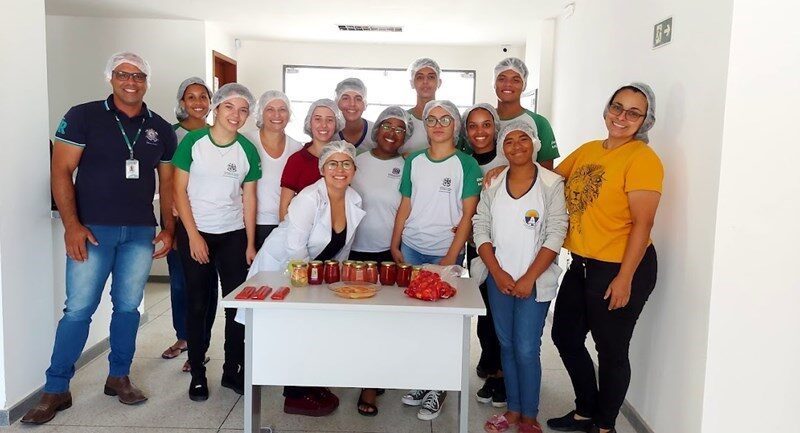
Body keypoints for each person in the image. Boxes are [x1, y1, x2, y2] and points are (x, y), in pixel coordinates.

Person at [23, 52, 176, 425]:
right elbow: (61, 171)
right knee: (78, 310)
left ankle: (118, 376)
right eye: (124, 74)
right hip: (92, 231)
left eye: (139, 76)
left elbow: (168, 181)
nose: (131, 81)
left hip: (139, 231)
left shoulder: (160, 128)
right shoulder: (82, 116)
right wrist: (72, 225)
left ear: (147, 82)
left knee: (128, 308)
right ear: (110, 77)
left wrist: (167, 227)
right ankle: (56, 388)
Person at [547, 83, 663, 433]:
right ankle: (585, 410)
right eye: (617, 107)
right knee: (565, 337)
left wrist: (625, 278)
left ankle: (605, 425)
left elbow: (643, 225)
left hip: (623, 266)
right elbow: (547, 181)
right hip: (581, 264)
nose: (622, 117)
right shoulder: (587, 151)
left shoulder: (642, 159)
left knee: (611, 350)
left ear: (645, 121)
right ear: (607, 109)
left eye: (633, 113)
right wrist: (502, 172)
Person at [249, 141, 365, 417]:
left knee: (316, 331)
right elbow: (295, 251)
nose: (340, 169)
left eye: (346, 163)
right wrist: (311, 286)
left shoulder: (353, 199)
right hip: (286, 271)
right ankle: (295, 395)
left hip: (316, 274)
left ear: (355, 169)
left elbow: (342, 248)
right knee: (296, 331)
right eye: (333, 164)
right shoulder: (308, 199)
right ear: (322, 168)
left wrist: (333, 283)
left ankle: (311, 383)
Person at [472, 121, 568, 433]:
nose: (516, 146)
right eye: (509, 140)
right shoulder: (493, 184)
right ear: (502, 148)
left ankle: (530, 415)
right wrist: (497, 273)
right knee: (507, 345)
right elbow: (480, 226)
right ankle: (512, 410)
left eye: (523, 139)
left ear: (535, 143)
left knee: (527, 347)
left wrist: (529, 277)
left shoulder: (552, 184)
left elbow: (556, 233)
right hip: (499, 279)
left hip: (534, 281)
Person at [391, 100, 482, 421]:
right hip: (413, 248)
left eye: (446, 119)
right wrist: (395, 240)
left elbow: (468, 214)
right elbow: (405, 203)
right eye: (432, 119)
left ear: (456, 126)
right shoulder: (414, 161)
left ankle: (439, 388)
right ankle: (421, 382)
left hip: (446, 250)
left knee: (444, 323)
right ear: (425, 125)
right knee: (417, 321)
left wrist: (449, 256)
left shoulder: (467, 165)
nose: (439, 124)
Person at [172, 83, 261, 402]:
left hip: (233, 235)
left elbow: (249, 199)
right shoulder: (194, 142)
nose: (236, 115)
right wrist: (193, 235)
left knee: (236, 305)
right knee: (198, 303)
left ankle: (232, 370)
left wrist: (250, 243)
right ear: (217, 108)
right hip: (196, 231)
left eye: (243, 110)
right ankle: (197, 372)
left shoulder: (247, 149)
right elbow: (177, 191)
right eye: (229, 108)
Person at [347, 106, 414, 416]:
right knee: (361, 323)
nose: (393, 132)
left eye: (400, 129)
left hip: (392, 254)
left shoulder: (409, 166)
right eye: (387, 126)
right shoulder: (355, 162)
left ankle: (375, 379)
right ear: (375, 131)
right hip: (355, 253)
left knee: (387, 321)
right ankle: (367, 380)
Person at [161, 77, 217, 374]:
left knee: (205, 285)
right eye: (190, 97)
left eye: (203, 97)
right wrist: (169, 224)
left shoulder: (219, 133)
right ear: (182, 102)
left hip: (210, 220)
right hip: (178, 218)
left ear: (211, 102)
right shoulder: (171, 134)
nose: (197, 102)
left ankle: (201, 346)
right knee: (181, 282)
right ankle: (183, 337)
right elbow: (166, 181)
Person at [462, 103, 506, 407]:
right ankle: (489, 362)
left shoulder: (510, 158)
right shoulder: (463, 162)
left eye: (486, 124)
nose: (480, 132)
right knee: (485, 308)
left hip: (508, 246)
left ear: (496, 127)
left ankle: (501, 376)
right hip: (475, 244)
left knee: (502, 310)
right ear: (466, 131)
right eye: (474, 125)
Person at [244, 90, 303, 249]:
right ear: (260, 114)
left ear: (289, 114)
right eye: (270, 109)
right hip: (247, 225)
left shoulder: (297, 148)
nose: (277, 115)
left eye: (282, 109)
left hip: (284, 224)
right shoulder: (246, 141)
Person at [279, 98, 344, 220]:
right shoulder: (296, 161)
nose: (323, 125)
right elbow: (284, 207)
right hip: (302, 231)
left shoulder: (344, 159)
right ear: (310, 122)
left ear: (337, 124)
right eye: (318, 119)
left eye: (329, 120)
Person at [493, 57, 559, 169]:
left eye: (516, 80)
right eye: (502, 79)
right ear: (494, 83)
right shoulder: (482, 121)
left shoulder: (539, 123)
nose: (508, 84)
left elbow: (546, 173)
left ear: (524, 85)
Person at [400, 58, 442, 154]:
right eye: (419, 77)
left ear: (439, 82)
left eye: (431, 77)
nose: (425, 81)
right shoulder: (403, 119)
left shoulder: (449, 119)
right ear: (412, 83)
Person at [335, 77, 375, 153]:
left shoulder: (376, 133)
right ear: (337, 102)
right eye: (345, 98)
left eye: (358, 99)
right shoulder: (328, 131)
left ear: (365, 104)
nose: (352, 104)